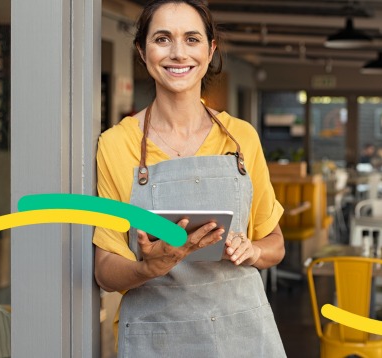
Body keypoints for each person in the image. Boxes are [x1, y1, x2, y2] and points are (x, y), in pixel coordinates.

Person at [92, 1, 287, 356]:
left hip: (241, 333)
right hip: (156, 337)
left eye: (192, 39)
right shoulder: (116, 144)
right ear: (142, 49)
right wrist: (148, 266)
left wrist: (254, 250)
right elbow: (105, 269)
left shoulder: (241, 138)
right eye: (163, 39)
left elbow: (274, 242)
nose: (178, 53)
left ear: (210, 50)